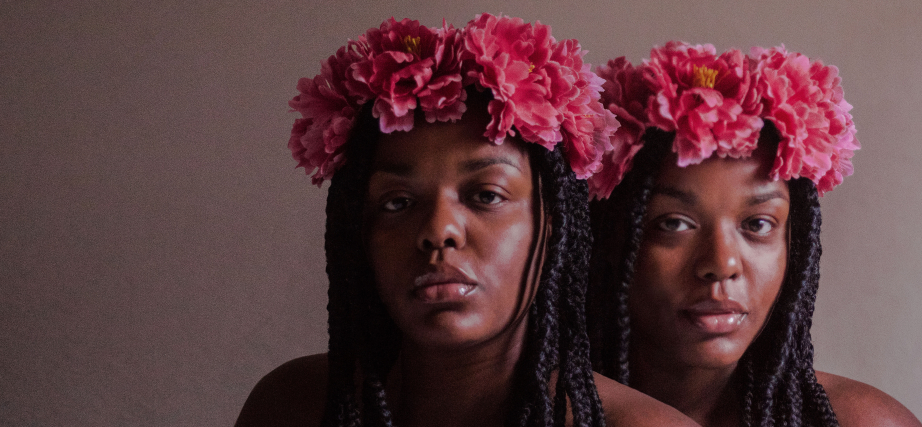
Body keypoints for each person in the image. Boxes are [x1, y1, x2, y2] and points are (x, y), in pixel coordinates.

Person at [236, 16, 697, 427]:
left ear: (553, 222)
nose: (439, 231)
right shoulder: (290, 406)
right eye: (397, 203)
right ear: (361, 233)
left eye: (485, 195)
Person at [586, 42, 922, 427]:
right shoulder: (532, 411)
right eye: (674, 223)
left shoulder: (862, 421)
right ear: (611, 239)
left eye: (757, 224)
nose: (722, 264)